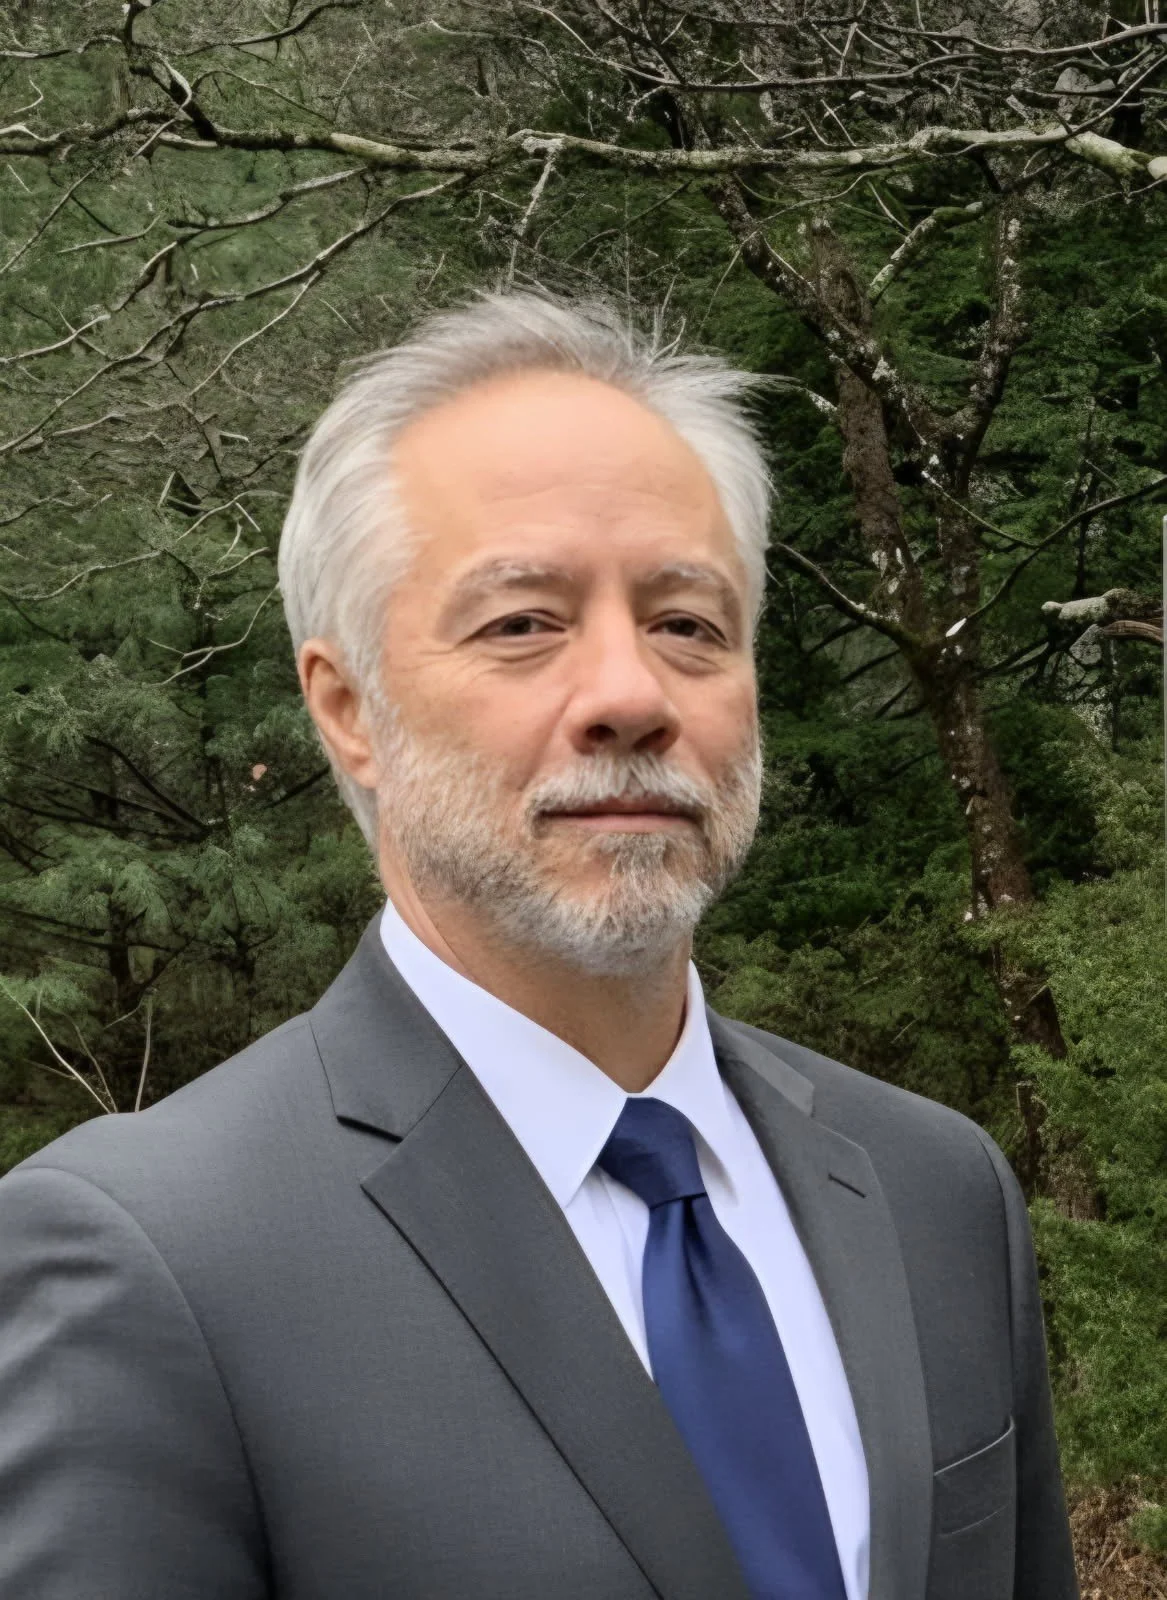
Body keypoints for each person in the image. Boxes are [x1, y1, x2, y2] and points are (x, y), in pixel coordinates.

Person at [0, 290, 1078, 1600]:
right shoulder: (148, 1259)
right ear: (349, 711)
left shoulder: (933, 1190)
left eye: (687, 622)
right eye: (522, 622)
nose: (630, 693)